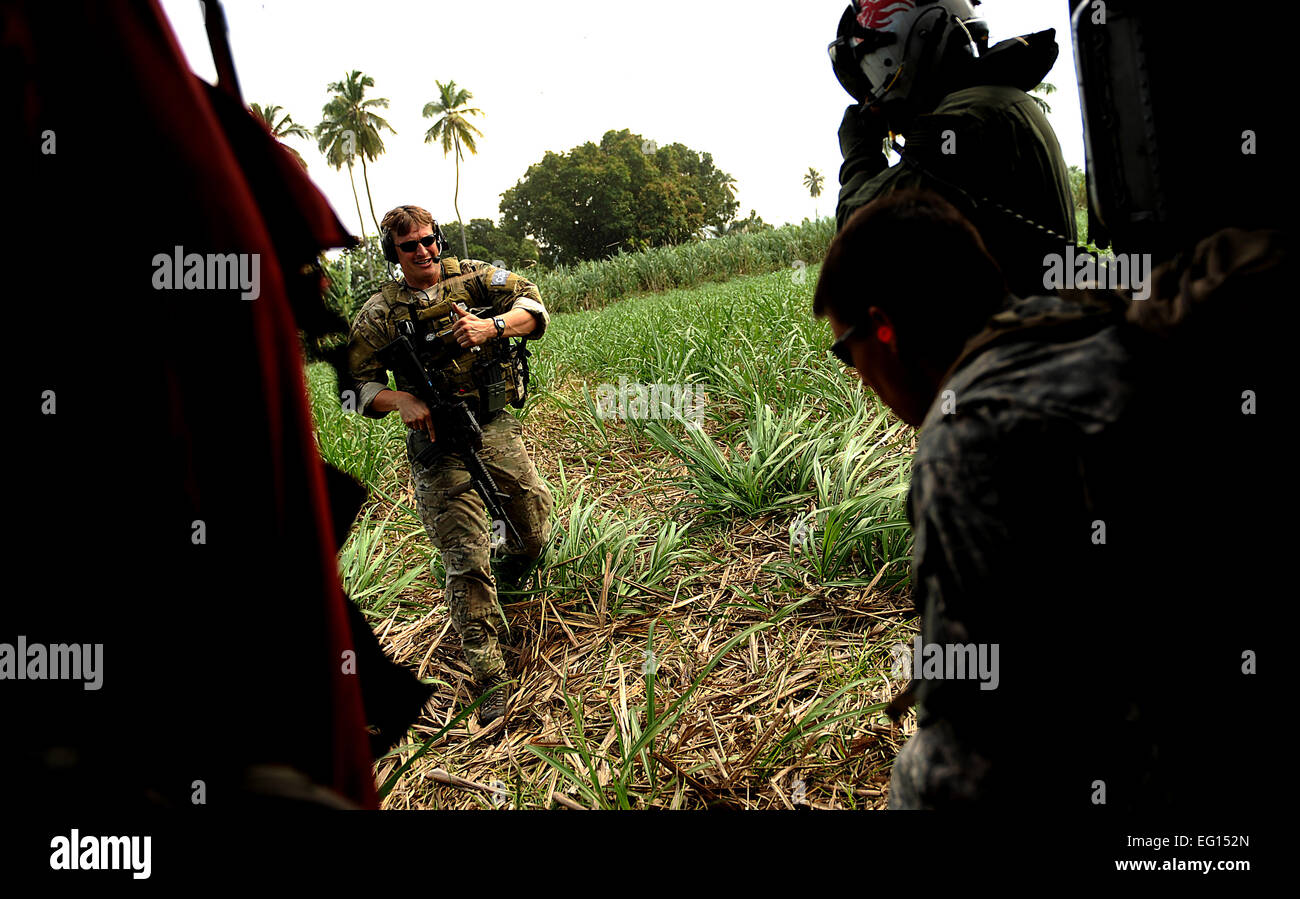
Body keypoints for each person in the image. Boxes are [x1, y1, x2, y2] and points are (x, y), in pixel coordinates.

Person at [814, 188, 1279, 810]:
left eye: (847, 350)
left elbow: (977, 760)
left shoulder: (967, 445)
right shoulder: (1095, 323)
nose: (857, 374)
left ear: (884, 327)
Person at [347, 205, 554, 726]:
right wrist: (399, 402)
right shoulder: (378, 313)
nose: (423, 252)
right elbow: (354, 388)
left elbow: (536, 309)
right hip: (436, 441)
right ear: (393, 254)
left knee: (529, 524)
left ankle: (513, 580)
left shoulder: (479, 280)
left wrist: (493, 327)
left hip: (491, 424)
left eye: (428, 240)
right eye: (409, 246)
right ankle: (491, 677)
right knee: (465, 558)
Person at [829, 0, 1075, 298]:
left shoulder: (968, 117)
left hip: (1021, 336)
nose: (872, 99)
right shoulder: (991, 102)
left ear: (891, 55)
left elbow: (859, 243)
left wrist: (860, 154)